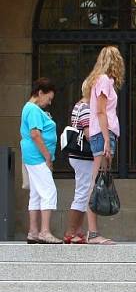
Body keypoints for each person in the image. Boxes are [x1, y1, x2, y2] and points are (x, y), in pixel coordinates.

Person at [85, 45, 125, 245]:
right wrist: (107, 139)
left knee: (98, 180)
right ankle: (92, 233)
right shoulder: (103, 81)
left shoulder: (101, 80)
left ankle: (93, 232)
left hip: (103, 132)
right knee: (96, 181)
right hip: (103, 133)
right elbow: (101, 112)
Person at [20, 78, 61, 244]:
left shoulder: (30, 109)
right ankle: (44, 232)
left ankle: (33, 231)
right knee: (49, 191)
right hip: (37, 157)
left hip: (32, 156)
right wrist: (47, 156)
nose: (49, 103)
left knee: (36, 194)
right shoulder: (33, 110)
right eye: (49, 98)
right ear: (40, 93)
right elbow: (35, 134)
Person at [62, 81, 92, 244]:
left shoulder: (79, 105)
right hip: (83, 155)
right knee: (82, 192)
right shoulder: (86, 106)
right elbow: (88, 133)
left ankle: (77, 230)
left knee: (83, 191)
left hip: (77, 155)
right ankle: (71, 231)